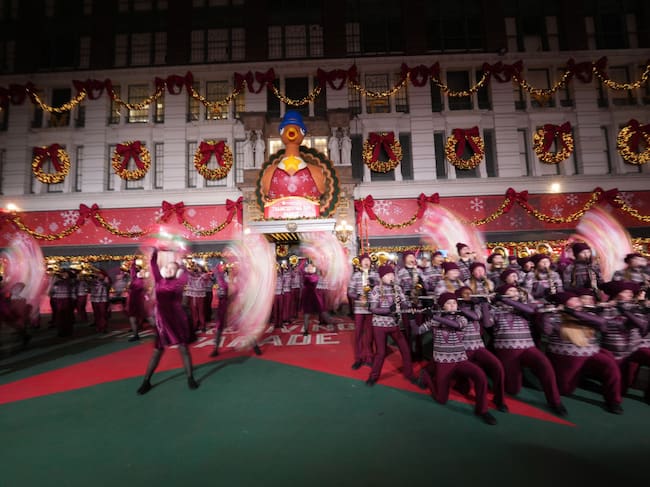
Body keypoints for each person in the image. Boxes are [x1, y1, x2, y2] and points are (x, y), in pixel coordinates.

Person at [416, 292, 498, 425]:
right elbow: (418, 331)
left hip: (460, 360)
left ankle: (482, 410)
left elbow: (456, 326)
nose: (453, 305)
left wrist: (436, 317)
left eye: (454, 303)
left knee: (480, 376)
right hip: (443, 362)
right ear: (442, 306)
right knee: (441, 400)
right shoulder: (434, 320)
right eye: (449, 303)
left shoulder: (462, 318)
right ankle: (426, 376)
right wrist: (415, 317)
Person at [489, 284, 568, 416]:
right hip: (506, 350)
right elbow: (487, 323)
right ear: (502, 294)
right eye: (510, 291)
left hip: (528, 347)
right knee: (512, 389)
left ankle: (555, 402)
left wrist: (506, 299)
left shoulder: (526, 306)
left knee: (545, 364)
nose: (514, 292)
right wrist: (488, 304)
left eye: (515, 290)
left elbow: (531, 311)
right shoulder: (494, 310)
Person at [539, 290, 623, 414]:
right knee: (565, 391)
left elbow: (602, 323)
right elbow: (546, 331)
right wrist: (546, 314)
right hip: (565, 358)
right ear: (564, 304)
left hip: (591, 355)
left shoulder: (587, 314)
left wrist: (571, 311)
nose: (579, 302)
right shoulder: (555, 317)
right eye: (574, 300)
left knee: (610, 366)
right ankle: (579, 379)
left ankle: (614, 402)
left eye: (578, 299)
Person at [136, 248, 198, 394]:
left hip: (177, 320)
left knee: (184, 350)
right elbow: (153, 264)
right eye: (168, 267)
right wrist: (155, 252)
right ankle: (146, 382)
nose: (170, 269)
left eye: (173, 268)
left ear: (177, 272)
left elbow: (186, 271)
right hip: (162, 323)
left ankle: (190, 378)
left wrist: (181, 257)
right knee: (157, 352)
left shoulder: (179, 282)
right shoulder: (159, 280)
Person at [365, 264, 416, 386]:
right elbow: (373, 309)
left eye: (392, 274)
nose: (391, 277)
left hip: (394, 324)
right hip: (379, 326)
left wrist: (407, 305)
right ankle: (373, 376)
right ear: (381, 277)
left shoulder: (397, 288)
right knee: (381, 353)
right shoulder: (376, 289)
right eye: (388, 275)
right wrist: (390, 309)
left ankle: (409, 374)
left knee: (405, 349)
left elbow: (404, 303)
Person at [259, 110, 326, 202]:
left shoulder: (316, 172)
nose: (291, 130)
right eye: (285, 129)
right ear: (281, 133)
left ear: (303, 135)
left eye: (299, 129)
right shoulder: (269, 173)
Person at [347, 253, 378, 369]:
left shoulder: (375, 274)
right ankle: (359, 358)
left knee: (370, 334)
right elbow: (350, 291)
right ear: (360, 263)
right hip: (359, 309)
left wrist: (374, 285)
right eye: (364, 260)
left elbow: (380, 290)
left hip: (371, 308)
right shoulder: (355, 275)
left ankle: (369, 357)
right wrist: (359, 296)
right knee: (358, 333)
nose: (366, 262)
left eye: (368, 260)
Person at [127, 259, 148, 342]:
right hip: (133, 301)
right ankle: (136, 335)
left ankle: (161, 333)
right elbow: (132, 270)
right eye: (140, 271)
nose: (141, 272)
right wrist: (133, 262)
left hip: (141, 301)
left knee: (149, 318)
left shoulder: (144, 281)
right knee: (132, 318)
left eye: (143, 272)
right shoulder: (134, 278)